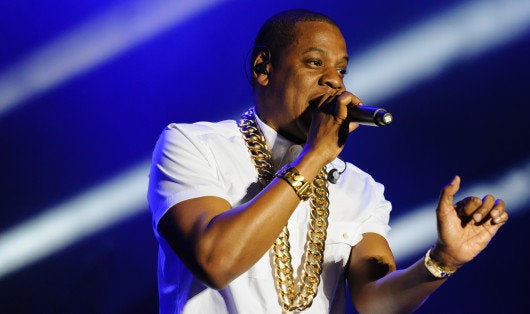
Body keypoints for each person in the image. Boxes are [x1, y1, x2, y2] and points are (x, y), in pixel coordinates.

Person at [147, 9, 508, 313]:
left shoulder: (360, 188)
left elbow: (374, 303)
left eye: (342, 70)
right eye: (315, 63)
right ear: (263, 67)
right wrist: (316, 154)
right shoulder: (193, 145)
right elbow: (216, 260)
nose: (334, 80)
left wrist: (443, 260)